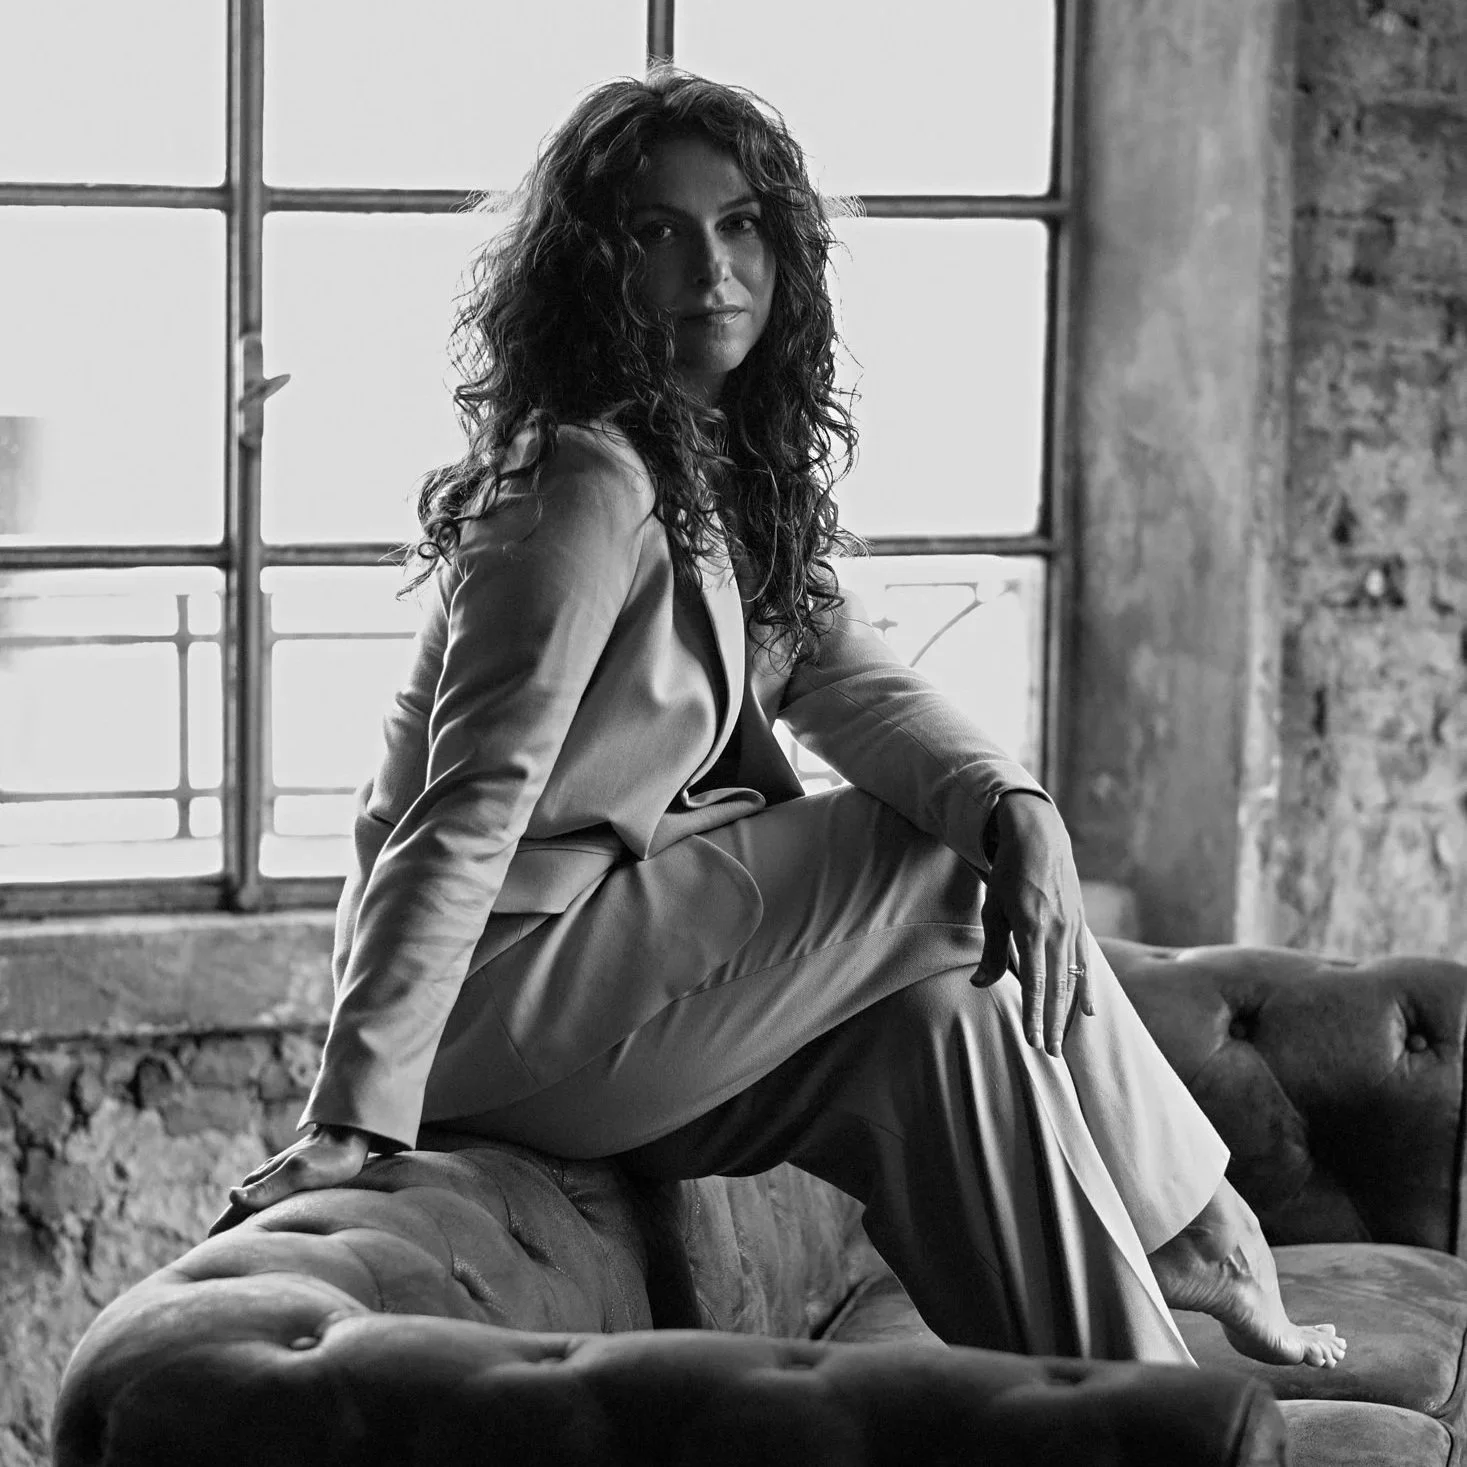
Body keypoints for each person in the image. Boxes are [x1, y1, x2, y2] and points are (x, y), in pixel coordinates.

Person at [226, 68, 1344, 1369]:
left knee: (954, 1022)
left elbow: (856, 683)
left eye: (741, 224)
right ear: (597, 268)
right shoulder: (583, 480)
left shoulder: (718, 468)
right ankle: (1201, 1220)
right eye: (656, 232)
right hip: (513, 994)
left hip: (628, 1005)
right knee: (930, 848)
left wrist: (1020, 806)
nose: (710, 265)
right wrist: (359, 1105)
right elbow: (466, 799)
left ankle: (1126, 1410)